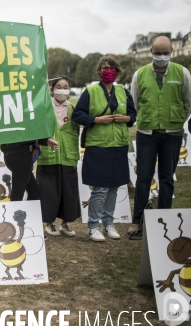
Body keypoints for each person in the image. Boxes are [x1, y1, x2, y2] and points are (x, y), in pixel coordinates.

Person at [128, 36, 191, 239]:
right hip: (147, 132)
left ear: (171, 51)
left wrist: (177, 119)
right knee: (143, 177)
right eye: (158, 53)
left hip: (172, 133)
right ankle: (137, 221)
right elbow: (135, 103)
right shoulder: (140, 74)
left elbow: (187, 102)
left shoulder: (182, 73)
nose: (161, 56)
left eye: (165, 53)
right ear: (151, 52)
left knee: (167, 178)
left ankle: (165, 217)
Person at [72, 56, 136, 242]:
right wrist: (96, 120)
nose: (107, 70)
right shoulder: (90, 91)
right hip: (98, 146)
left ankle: (108, 223)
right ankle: (93, 226)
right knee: (100, 188)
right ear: (99, 71)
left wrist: (127, 119)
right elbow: (78, 115)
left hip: (119, 145)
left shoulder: (123, 91)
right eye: (104, 67)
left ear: (117, 71)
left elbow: (133, 114)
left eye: (111, 67)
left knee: (114, 187)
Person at [37, 76, 80, 237]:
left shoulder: (75, 109)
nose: (62, 89)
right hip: (49, 155)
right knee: (49, 191)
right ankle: (49, 223)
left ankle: (65, 223)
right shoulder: (45, 107)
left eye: (66, 86)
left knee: (68, 192)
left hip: (68, 155)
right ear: (52, 89)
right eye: (59, 86)